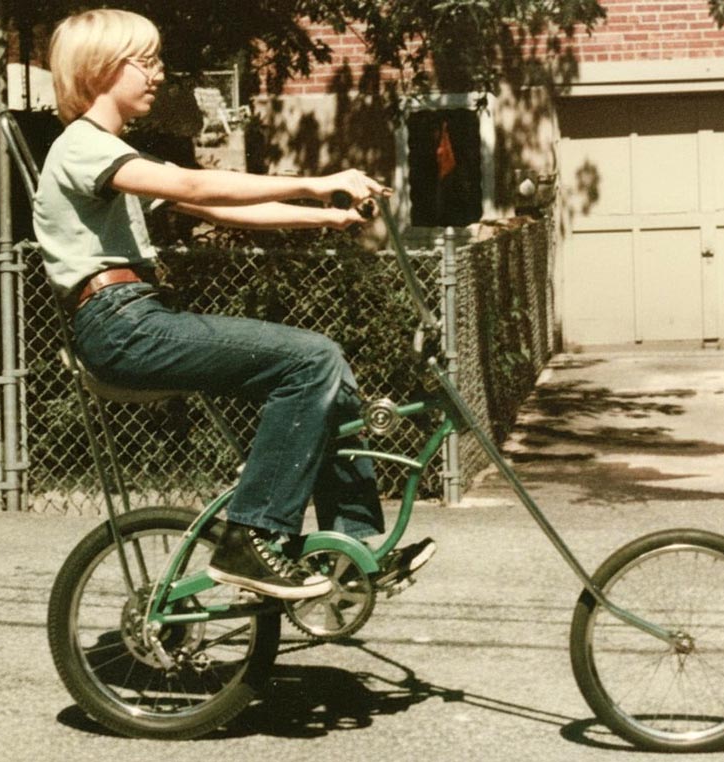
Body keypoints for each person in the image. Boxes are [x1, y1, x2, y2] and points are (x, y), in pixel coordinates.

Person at [34, 8, 435, 601]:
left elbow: (224, 208)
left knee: (331, 377)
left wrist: (329, 214)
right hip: (117, 324)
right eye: (144, 62)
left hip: (135, 315)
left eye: (157, 61)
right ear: (99, 70)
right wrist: (319, 179)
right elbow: (199, 187)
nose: (158, 75)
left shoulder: (115, 154)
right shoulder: (81, 148)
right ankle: (251, 539)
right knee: (312, 360)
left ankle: (353, 549)